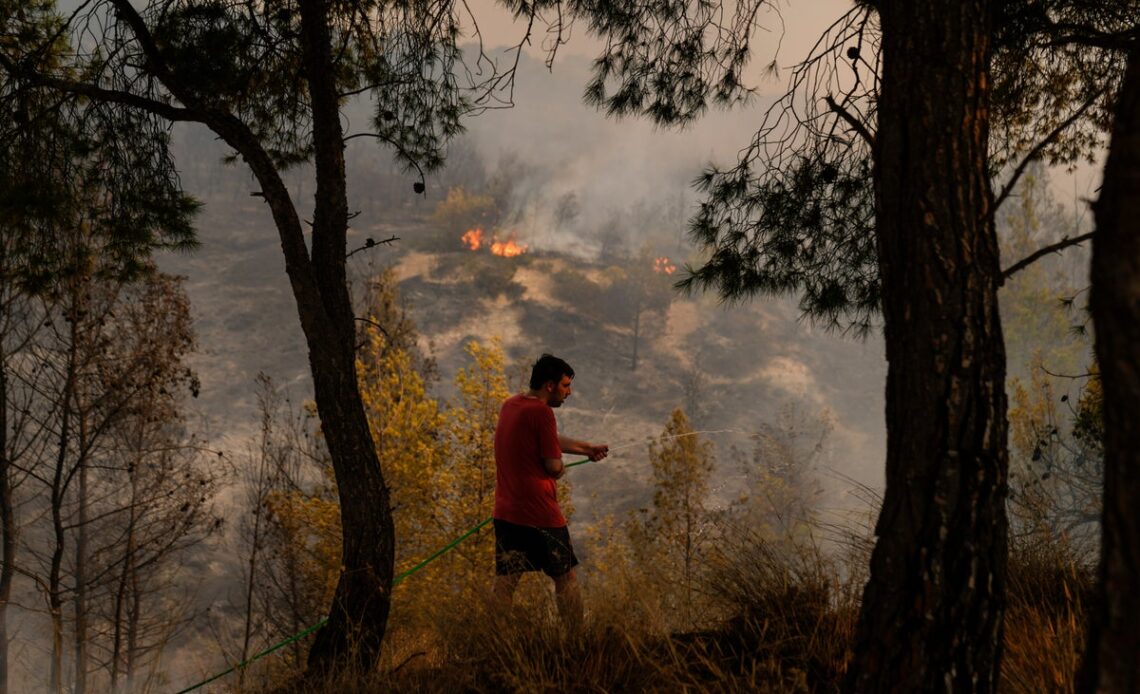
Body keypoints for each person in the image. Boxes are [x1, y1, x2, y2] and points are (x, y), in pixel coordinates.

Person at [491, 353, 608, 628]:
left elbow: (545, 439)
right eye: (566, 386)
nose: (569, 392)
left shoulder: (512, 405)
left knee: (505, 582)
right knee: (566, 579)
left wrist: (587, 448)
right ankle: (576, 640)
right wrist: (559, 469)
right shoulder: (542, 413)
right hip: (541, 515)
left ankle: (491, 641)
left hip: (507, 512)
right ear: (550, 385)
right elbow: (553, 465)